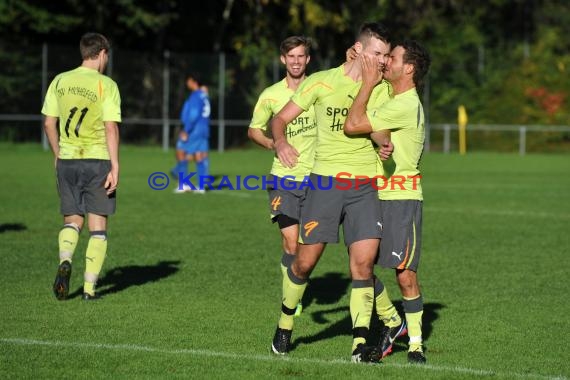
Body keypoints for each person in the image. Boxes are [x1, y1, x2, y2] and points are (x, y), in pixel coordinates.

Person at [270, 22, 401, 363]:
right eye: (377, 54)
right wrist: (281, 142)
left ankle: (359, 345)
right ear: (357, 51)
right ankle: (285, 324)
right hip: (325, 186)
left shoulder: (383, 89)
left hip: (364, 188)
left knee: (362, 266)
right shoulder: (321, 81)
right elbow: (280, 119)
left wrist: (382, 143)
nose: (383, 61)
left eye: (387, 56)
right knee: (303, 263)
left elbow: (381, 133)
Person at [344, 39, 432, 364]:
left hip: (402, 198)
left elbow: (353, 123)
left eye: (391, 58)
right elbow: (373, 128)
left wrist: (367, 82)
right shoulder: (394, 99)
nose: (387, 63)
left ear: (408, 67)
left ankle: (416, 345)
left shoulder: (405, 104)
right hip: (375, 194)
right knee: (360, 264)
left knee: (404, 273)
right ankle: (392, 322)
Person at [42, 32, 121, 301]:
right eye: (107, 56)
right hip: (97, 159)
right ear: (101, 54)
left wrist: (57, 153)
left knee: (72, 220)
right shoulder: (106, 85)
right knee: (97, 226)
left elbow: (48, 123)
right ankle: (89, 289)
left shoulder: (60, 81)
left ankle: (66, 260)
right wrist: (115, 165)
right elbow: (110, 127)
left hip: (67, 160)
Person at [248, 36, 316, 316]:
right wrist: (274, 144)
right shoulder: (271, 94)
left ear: (308, 59)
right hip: (283, 179)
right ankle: (292, 300)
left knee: (305, 246)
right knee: (290, 240)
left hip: (317, 179)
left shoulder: (320, 89)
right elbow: (254, 130)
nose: (296, 61)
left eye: (301, 56)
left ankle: (296, 284)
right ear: (283, 60)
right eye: (291, 57)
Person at [172, 73, 211, 194]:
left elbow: (194, 115)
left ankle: (183, 183)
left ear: (193, 82)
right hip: (204, 129)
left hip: (194, 130)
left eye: (188, 80)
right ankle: (201, 186)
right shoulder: (204, 95)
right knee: (199, 155)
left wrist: (186, 130)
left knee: (180, 152)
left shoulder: (195, 96)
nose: (186, 83)